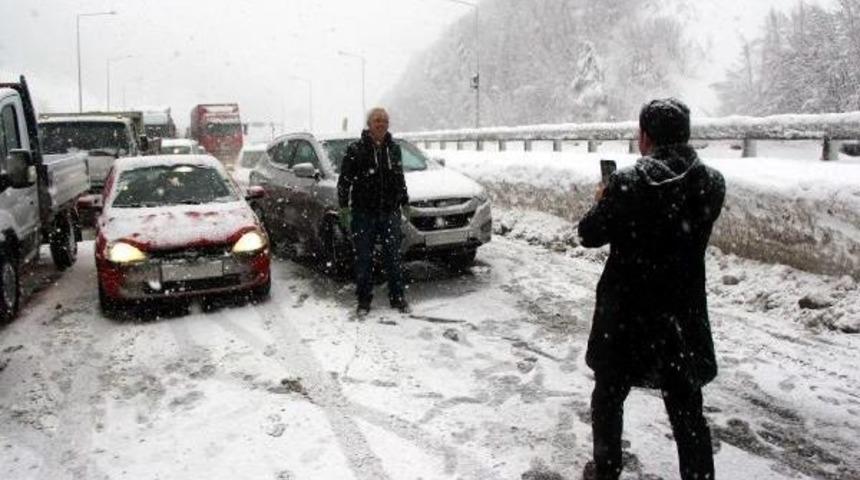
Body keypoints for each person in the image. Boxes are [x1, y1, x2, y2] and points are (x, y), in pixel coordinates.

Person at [578, 98, 726, 480]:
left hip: (627, 313)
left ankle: (606, 469)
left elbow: (589, 234)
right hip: (681, 312)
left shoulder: (627, 183)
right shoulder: (711, 183)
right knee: (687, 407)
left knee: (609, 396)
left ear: (646, 136)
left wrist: (603, 198)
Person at [337, 107, 411, 316]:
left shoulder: (394, 149)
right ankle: (363, 301)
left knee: (393, 258)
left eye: (384, 120)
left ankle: (397, 297)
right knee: (364, 259)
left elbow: (399, 178)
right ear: (369, 124)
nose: (381, 123)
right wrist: (344, 207)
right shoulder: (355, 150)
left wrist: (404, 201)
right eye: (377, 120)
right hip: (363, 214)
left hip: (389, 213)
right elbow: (344, 181)